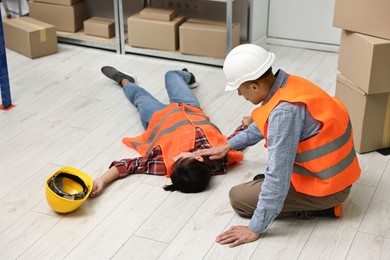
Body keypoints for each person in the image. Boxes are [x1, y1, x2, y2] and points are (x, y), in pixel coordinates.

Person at [195, 44, 361, 247]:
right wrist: (228, 145)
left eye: (240, 89)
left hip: (327, 189)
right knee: (259, 186)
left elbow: (277, 176)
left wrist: (254, 228)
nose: (239, 95)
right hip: (336, 176)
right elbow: (266, 124)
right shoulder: (289, 84)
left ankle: (322, 208)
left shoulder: (285, 113)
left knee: (238, 198)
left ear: (254, 86)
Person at [91, 66, 244, 198]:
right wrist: (246, 123)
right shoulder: (220, 155)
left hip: (157, 117)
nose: (175, 157)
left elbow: (128, 165)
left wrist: (102, 180)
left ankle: (124, 80)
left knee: (139, 96)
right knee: (171, 75)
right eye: (180, 158)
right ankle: (189, 77)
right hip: (188, 107)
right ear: (199, 158)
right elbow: (238, 139)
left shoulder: (164, 163)